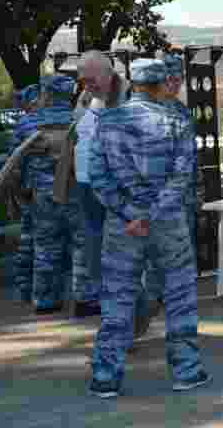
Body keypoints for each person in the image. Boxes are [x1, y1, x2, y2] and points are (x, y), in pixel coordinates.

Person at [87, 58, 209, 398]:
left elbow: (98, 178)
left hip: (122, 227)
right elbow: (182, 177)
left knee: (118, 298)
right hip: (168, 223)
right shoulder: (176, 121)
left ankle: (105, 375)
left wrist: (130, 213)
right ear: (158, 84)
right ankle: (186, 370)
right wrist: (152, 214)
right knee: (179, 296)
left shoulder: (107, 121)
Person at [13, 75, 89, 315]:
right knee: (82, 244)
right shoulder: (82, 121)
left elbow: (14, 165)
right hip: (77, 192)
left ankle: (46, 299)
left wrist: (21, 195)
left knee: (45, 246)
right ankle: (83, 297)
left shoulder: (28, 124)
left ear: (46, 94)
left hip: (42, 195)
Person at [132, 51, 194, 340]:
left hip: (176, 205)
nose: (175, 83)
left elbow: (187, 164)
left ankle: (166, 331)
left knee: (169, 273)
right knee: (147, 273)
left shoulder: (181, 112)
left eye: (179, 78)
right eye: (170, 78)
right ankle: (133, 327)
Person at [72, 52, 132, 318]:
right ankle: (99, 298)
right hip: (87, 181)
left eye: (91, 79)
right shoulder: (86, 95)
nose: (87, 85)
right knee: (93, 242)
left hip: (119, 183)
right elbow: (78, 129)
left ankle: (127, 305)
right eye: (82, 80)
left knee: (122, 243)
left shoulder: (132, 95)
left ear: (108, 73)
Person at [9, 84, 40, 305]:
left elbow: (13, 161)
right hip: (63, 189)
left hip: (31, 189)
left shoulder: (23, 124)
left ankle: (24, 288)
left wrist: (17, 190)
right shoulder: (65, 119)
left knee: (29, 240)